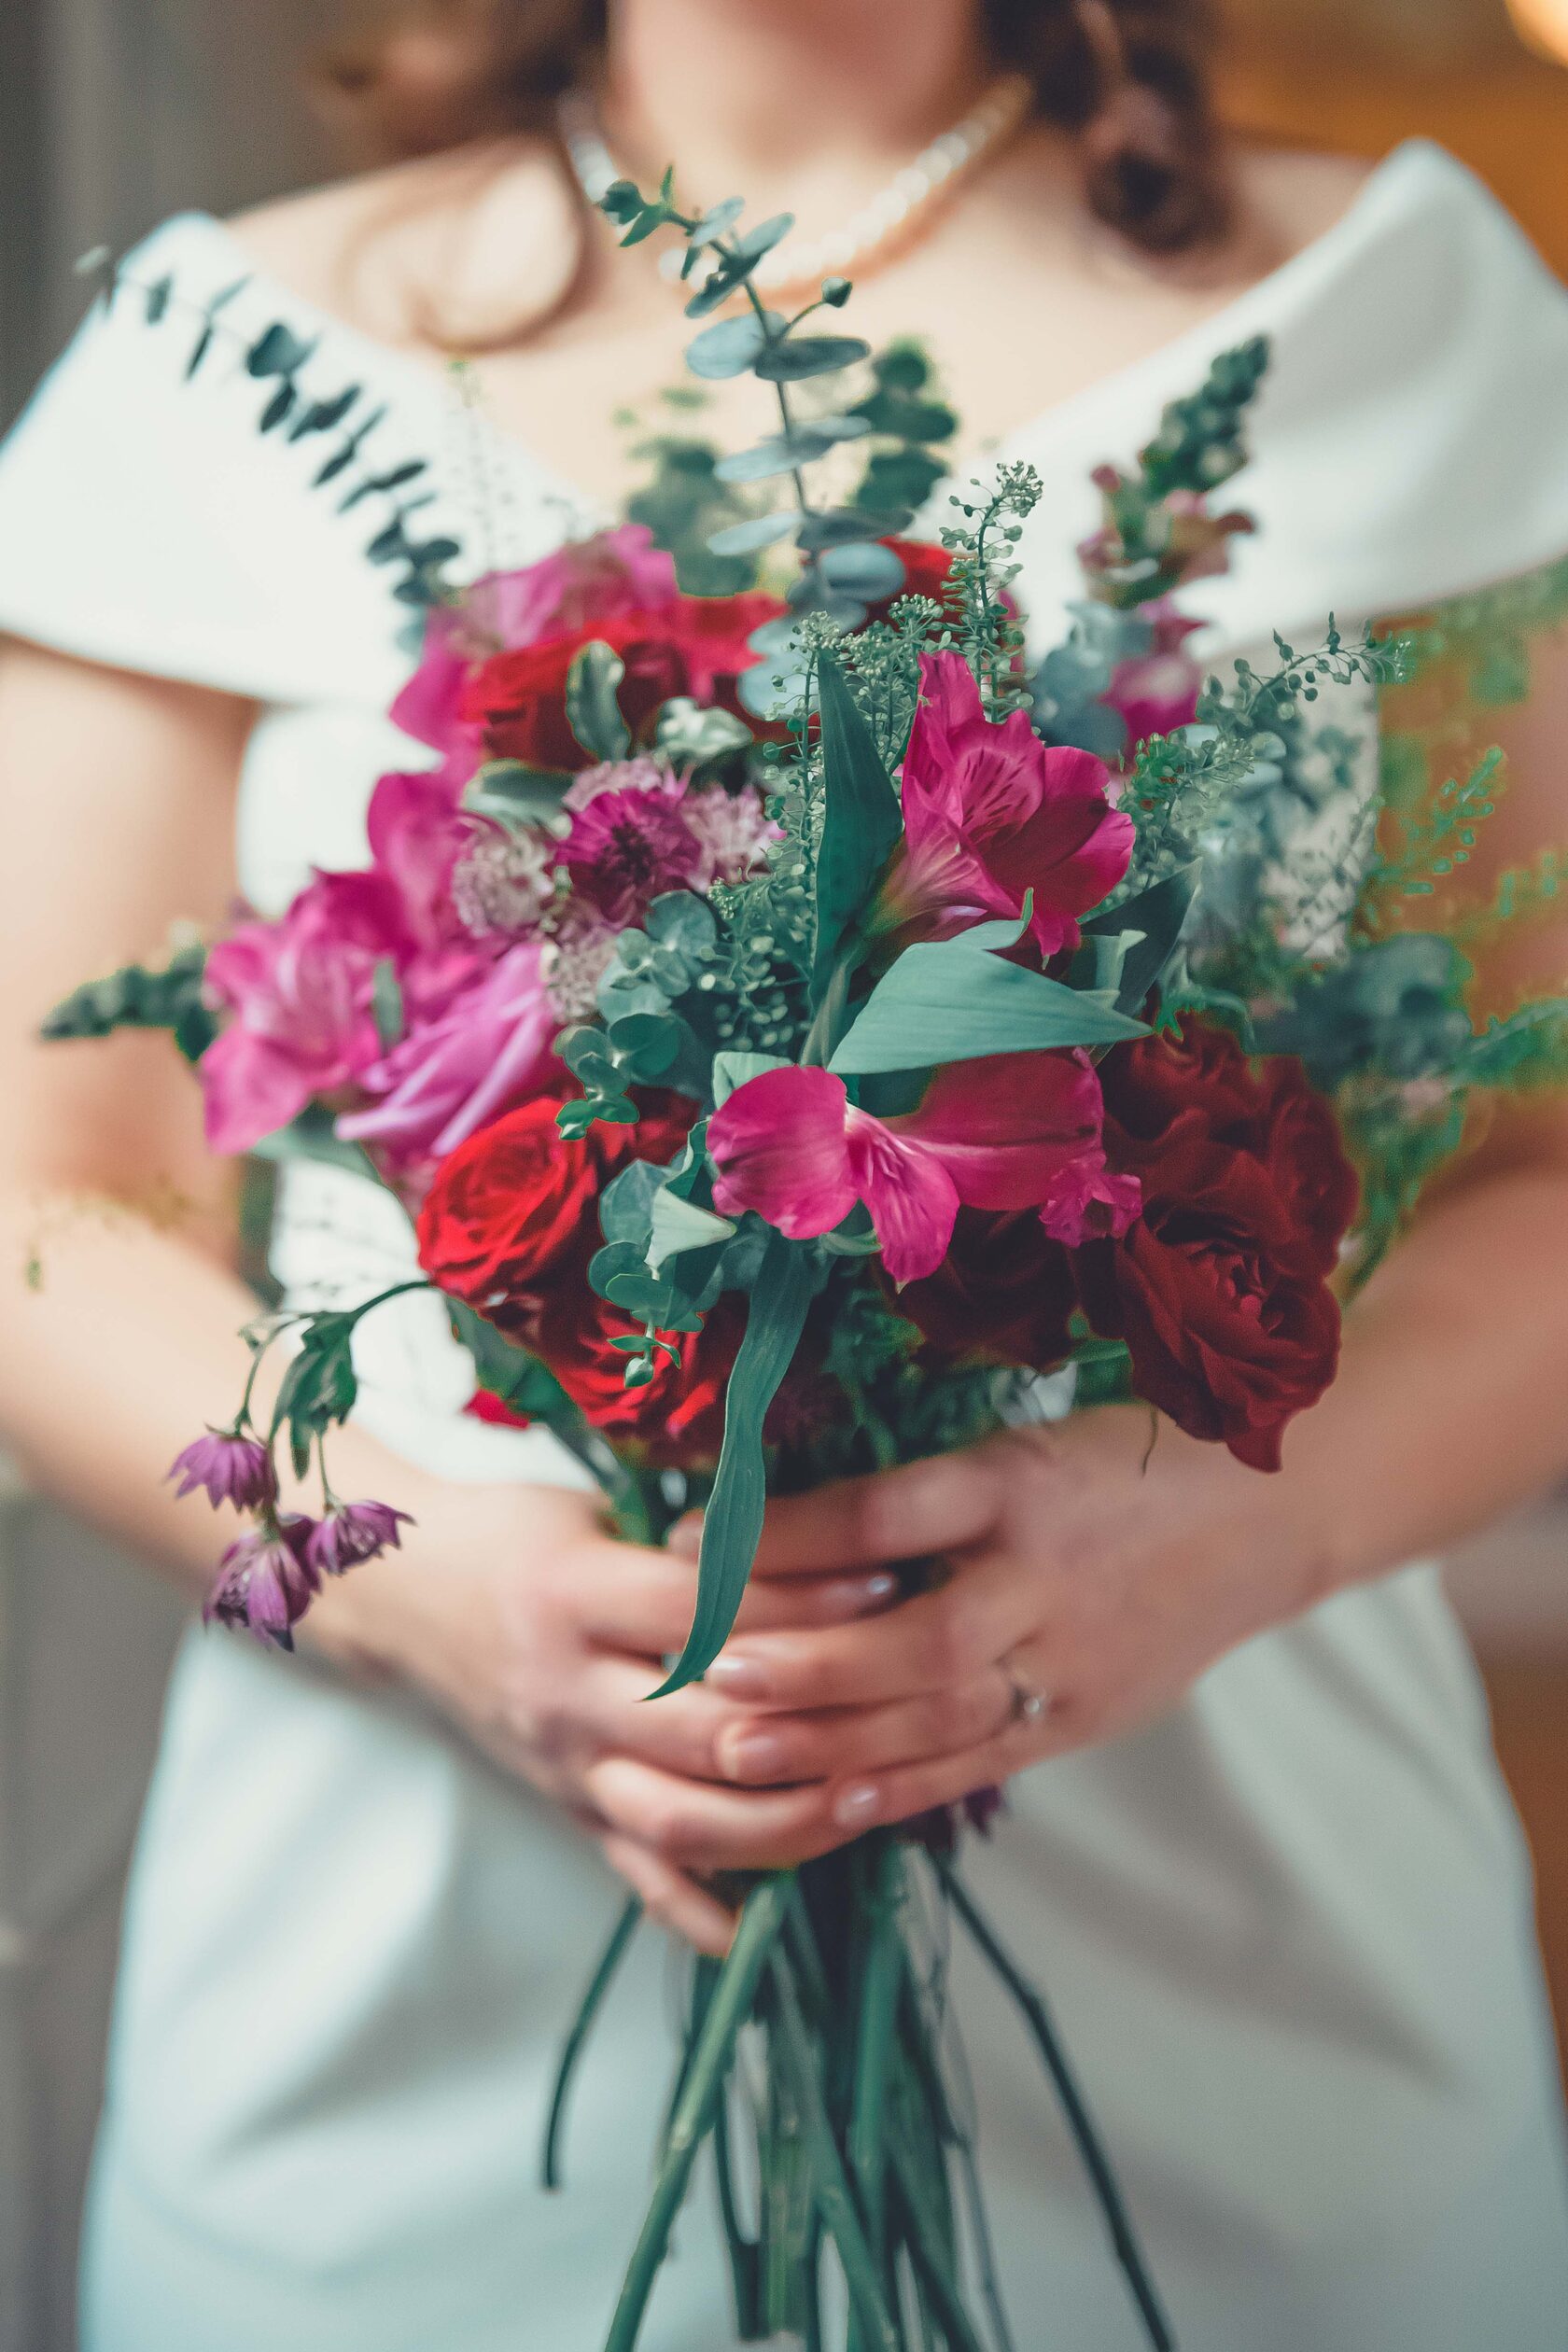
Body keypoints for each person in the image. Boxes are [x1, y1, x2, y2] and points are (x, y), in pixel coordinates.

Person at [1, 2, 1567, 2345]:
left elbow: (1544, 1169)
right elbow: (40, 1202)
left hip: (1242, 2041)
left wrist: (1237, 1529)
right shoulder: (227, 350)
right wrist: (454, 1603)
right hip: (408, 2084)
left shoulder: (1401, 314)